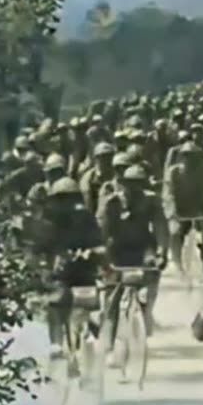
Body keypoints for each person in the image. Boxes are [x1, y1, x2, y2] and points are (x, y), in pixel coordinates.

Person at [98, 165, 168, 347]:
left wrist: (162, 252)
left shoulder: (151, 201)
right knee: (113, 296)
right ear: (123, 185)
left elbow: (161, 227)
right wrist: (104, 259)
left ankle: (145, 314)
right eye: (130, 185)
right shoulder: (112, 203)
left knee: (152, 275)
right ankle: (109, 341)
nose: (134, 189)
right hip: (117, 252)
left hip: (143, 249)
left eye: (139, 184)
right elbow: (103, 233)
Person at [40, 177, 104, 358]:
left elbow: (99, 241)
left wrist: (94, 252)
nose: (66, 203)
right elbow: (42, 248)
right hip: (61, 275)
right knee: (55, 301)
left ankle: (93, 338)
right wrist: (47, 264)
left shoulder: (86, 218)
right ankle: (57, 342)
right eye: (61, 199)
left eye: (69, 198)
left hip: (85, 272)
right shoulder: (49, 222)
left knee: (94, 306)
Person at [165, 141, 203, 275]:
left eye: (193, 156)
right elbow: (168, 193)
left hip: (199, 210)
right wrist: (173, 212)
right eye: (187, 156)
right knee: (175, 233)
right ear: (182, 157)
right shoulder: (174, 172)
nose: (190, 159)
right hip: (180, 211)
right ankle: (178, 264)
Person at [80, 142, 117, 214]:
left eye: (109, 156)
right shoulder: (89, 177)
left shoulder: (117, 173)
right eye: (103, 156)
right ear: (96, 158)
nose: (106, 160)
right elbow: (87, 201)